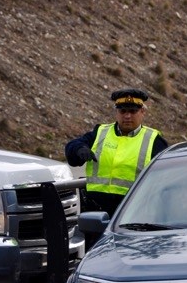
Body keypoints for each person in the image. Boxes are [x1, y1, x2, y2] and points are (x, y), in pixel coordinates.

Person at [65, 88, 168, 217]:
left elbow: (165, 181)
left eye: (133, 111)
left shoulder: (154, 141)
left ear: (142, 112)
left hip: (133, 214)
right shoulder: (100, 132)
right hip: (96, 212)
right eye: (123, 111)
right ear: (116, 112)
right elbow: (72, 148)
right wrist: (79, 149)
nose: (127, 116)